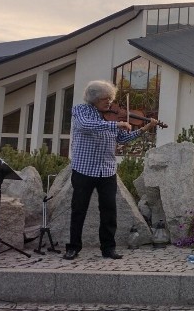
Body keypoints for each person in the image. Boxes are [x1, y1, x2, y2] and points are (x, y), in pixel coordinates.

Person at [63, 80, 159, 260]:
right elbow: (86, 126)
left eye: (110, 98)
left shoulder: (112, 117)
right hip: (84, 169)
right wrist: (116, 125)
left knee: (109, 211)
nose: (109, 102)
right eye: (104, 99)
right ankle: (73, 247)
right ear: (93, 99)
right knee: (78, 210)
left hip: (107, 171)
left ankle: (108, 248)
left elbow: (122, 139)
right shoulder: (81, 111)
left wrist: (144, 129)